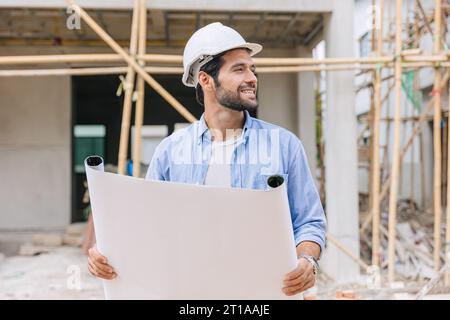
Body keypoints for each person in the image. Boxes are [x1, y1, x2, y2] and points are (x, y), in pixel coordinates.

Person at [88, 22, 327, 297]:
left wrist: (307, 260)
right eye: (239, 69)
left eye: (252, 68)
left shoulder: (285, 146)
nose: (252, 78)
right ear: (205, 80)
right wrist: (105, 256)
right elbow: (150, 229)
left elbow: (310, 223)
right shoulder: (169, 153)